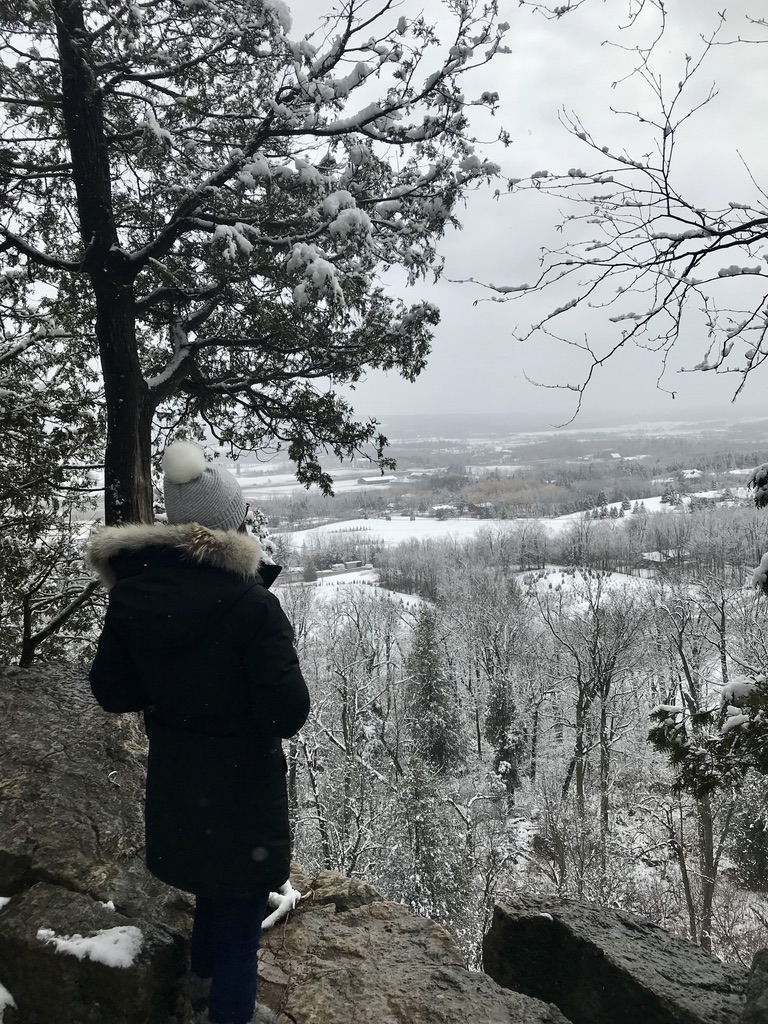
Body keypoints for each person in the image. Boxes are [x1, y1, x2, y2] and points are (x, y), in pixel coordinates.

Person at [86, 440, 310, 1024]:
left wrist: (173, 696)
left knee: (215, 883)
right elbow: (288, 711)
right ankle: (228, 1011)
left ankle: (201, 982)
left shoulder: (135, 592)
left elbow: (112, 689)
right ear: (232, 524)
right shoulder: (251, 606)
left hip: (180, 777)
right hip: (240, 781)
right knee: (238, 903)